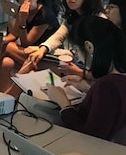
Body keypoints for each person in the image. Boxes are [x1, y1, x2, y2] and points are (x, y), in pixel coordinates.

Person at [45, 15, 126, 144]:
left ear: (89, 47)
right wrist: (90, 88)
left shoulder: (107, 86)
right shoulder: (116, 79)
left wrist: (64, 104)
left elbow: (90, 139)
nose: (78, 57)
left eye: (76, 50)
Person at [26, 0, 105, 79]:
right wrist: (43, 48)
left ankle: (6, 95)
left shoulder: (99, 21)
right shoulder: (73, 16)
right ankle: (5, 95)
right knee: (14, 61)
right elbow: (59, 35)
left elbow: (100, 60)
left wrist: (81, 72)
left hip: (87, 72)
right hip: (75, 61)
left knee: (30, 63)